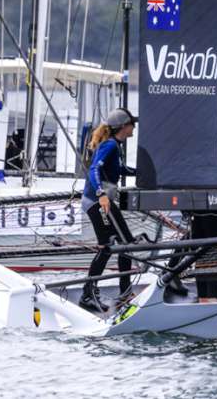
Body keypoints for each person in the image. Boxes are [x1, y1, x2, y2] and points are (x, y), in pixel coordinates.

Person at [80, 108, 137, 311]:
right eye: (132, 123)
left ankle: (124, 291)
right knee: (112, 245)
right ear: (123, 126)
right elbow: (95, 168)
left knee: (123, 244)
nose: (134, 127)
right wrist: (101, 195)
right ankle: (89, 294)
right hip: (97, 201)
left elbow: (119, 169)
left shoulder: (116, 146)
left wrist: (142, 173)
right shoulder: (111, 145)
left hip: (102, 201)